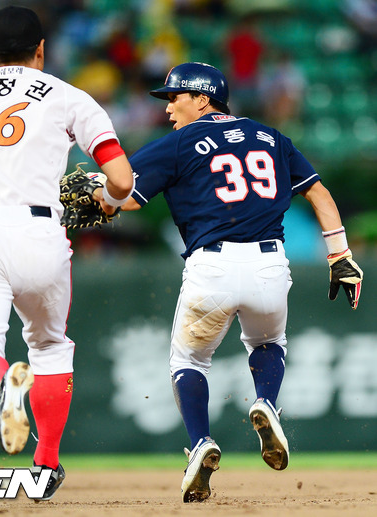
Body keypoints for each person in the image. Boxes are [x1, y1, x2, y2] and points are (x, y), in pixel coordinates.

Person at [120, 62, 363, 502]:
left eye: (175, 97)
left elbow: (127, 196)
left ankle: (200, 443)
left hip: (211, 266)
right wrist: (340, 255)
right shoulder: (271, 137)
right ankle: (266, 401)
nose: (168, 107)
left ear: (202, 99)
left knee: (190, 360)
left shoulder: (178, 143)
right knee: (268, 343)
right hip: (270, 265)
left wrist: (95, 194)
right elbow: (318, 193)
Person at [0, 6, 134, 501]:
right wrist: (107, 201)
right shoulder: (69, 97)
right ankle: (46, 464)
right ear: (42, 49)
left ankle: (3, 386)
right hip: (41, 231)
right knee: (50, 347)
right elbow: (122, 181)